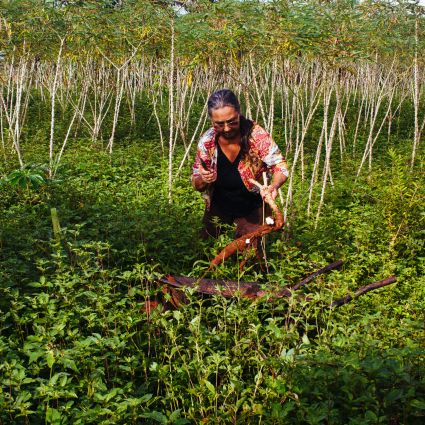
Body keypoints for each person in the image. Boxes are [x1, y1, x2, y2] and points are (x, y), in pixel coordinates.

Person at [192, 89, 288, 239]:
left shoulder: (256, 136)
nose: (227, 128)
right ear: (211, 120)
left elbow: (280, 166)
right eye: (219, 124)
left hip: (252, 207)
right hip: (219, 205)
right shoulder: (207, 141)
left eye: (232, 121)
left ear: (239, 113)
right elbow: (197, 183)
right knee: (206, 250)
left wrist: (273, 187)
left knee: (249, 253)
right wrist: (203, 178)